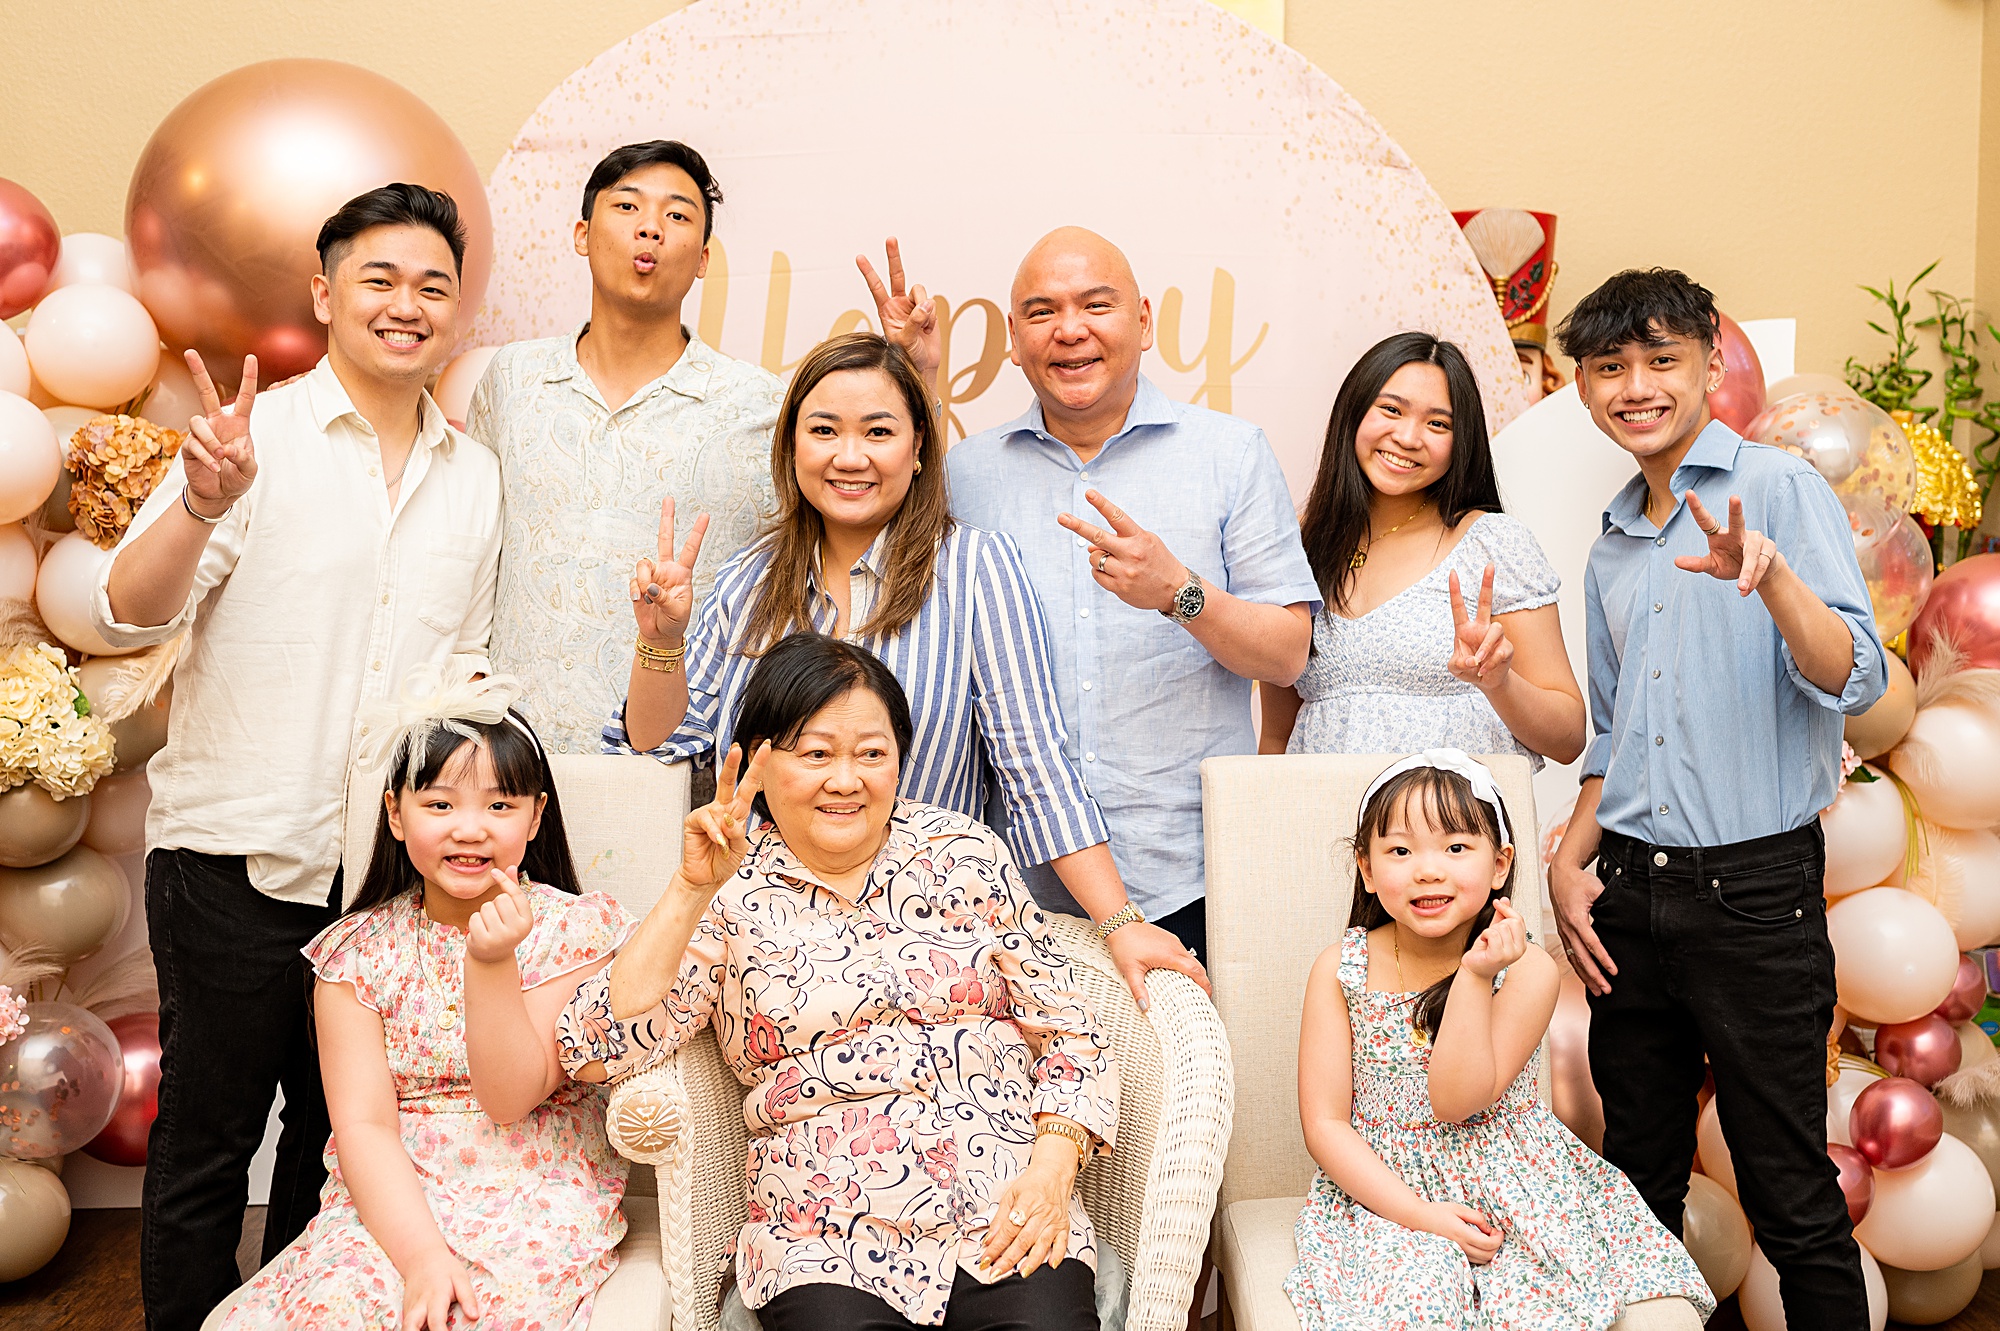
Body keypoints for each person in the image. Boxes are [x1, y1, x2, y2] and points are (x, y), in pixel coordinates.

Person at [91, 184, 503, 1331]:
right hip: (234, 856)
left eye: (432, 286)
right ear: (324, 294)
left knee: (338, 1156)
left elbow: (459, 673)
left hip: (377, 882)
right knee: (207, 1145)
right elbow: (127, 607)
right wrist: (198, 500)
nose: (406, 305)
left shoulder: (474, 479)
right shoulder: (251, 439)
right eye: (379, 279)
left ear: (456, 310)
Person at [606, 330, 1202, 1005]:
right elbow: (662, 742)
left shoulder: (974, 570)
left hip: (924, 933)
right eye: (824, 429)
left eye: (879, 431)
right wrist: (661, 641)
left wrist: (1121, 923)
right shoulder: (749, 582)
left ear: (919, 448)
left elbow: (1037, 768)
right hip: (761, 936)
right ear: (792, 447)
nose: (850, 456)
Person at [560, 633, 1116, 1331]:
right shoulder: (731, 893)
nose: (846, 779)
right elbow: (592, 1044)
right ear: (759, 759)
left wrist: (1053, 1168)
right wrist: (686, 891)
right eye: (816, 753)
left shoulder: (966, 853)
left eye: (872, 753)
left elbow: (1072, 1029)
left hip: (1003, 1214)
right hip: (823, 1237)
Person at [1547, 269, 1887, 1328]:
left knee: (1787, 1195)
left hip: (1753, 898)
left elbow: (1858, 677)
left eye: (1658, 359)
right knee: (1636, 1186)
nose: (1634, 386)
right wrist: (1567, 858)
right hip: (1627, 902)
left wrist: (1770, 577)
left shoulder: (1776, 490)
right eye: (1609, 367)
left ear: (1706, 363)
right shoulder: (1610, 538)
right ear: (1586, 389)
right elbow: (1614, 741)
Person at [466, 140, 940, 751]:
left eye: (678, 215)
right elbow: (468, 553)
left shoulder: (759, 405)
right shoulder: (512, 380)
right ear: (582, 234)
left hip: (681, 766)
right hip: (512, 767)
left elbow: (880, 516)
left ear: (703, 260)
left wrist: (918, 373)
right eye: (628, 206)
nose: (651, 229)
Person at [947, 227, 1319, 960]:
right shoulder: (965, 472)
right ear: (1014, 338)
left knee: (1197, 1076)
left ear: (1144, 322)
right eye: (1042, 311)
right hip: (1010, 883)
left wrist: (1178, 592)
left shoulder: (1230, 454)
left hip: (1188, 876)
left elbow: (1288, 656)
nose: (1071, 329)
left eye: (1096, 304)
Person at [221, 670, 633, 1330]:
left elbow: (512, 1094)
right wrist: (419, 1255)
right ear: (394, 812)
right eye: (439, 805)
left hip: (532, 1191)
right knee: (332, 1306)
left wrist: (493, 960)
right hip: (393, 1197)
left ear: (536, 815)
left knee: (480, 1314)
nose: (469, 829)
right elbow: (364, 1126)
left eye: (499, 806)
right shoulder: (356, 953)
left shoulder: (578, 932)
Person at [1286, 750, 1712, 1329]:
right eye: (1400, 851)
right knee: (1421, 1297)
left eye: (1456, 848)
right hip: (1386, 1193)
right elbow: (1326, 1125)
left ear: (1500, 864)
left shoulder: (1527, 971)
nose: (1428, 870)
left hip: (1518, 1183)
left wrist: (1474, 975)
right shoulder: (1341, 969)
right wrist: (1419, 1215)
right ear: (1365, 868)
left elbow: (1456, 1101)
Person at [1259, 333, 1584, 764]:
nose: (1409, 437)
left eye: (1438, 424)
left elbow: (1568, 739)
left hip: (1451, 826)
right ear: (1353, 412)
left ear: (1461, 441)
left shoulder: (1493, 543)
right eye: (1391, 410)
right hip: (1322, 822)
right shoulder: (1301, 547)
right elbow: (1276, 741)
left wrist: (1499, 682)